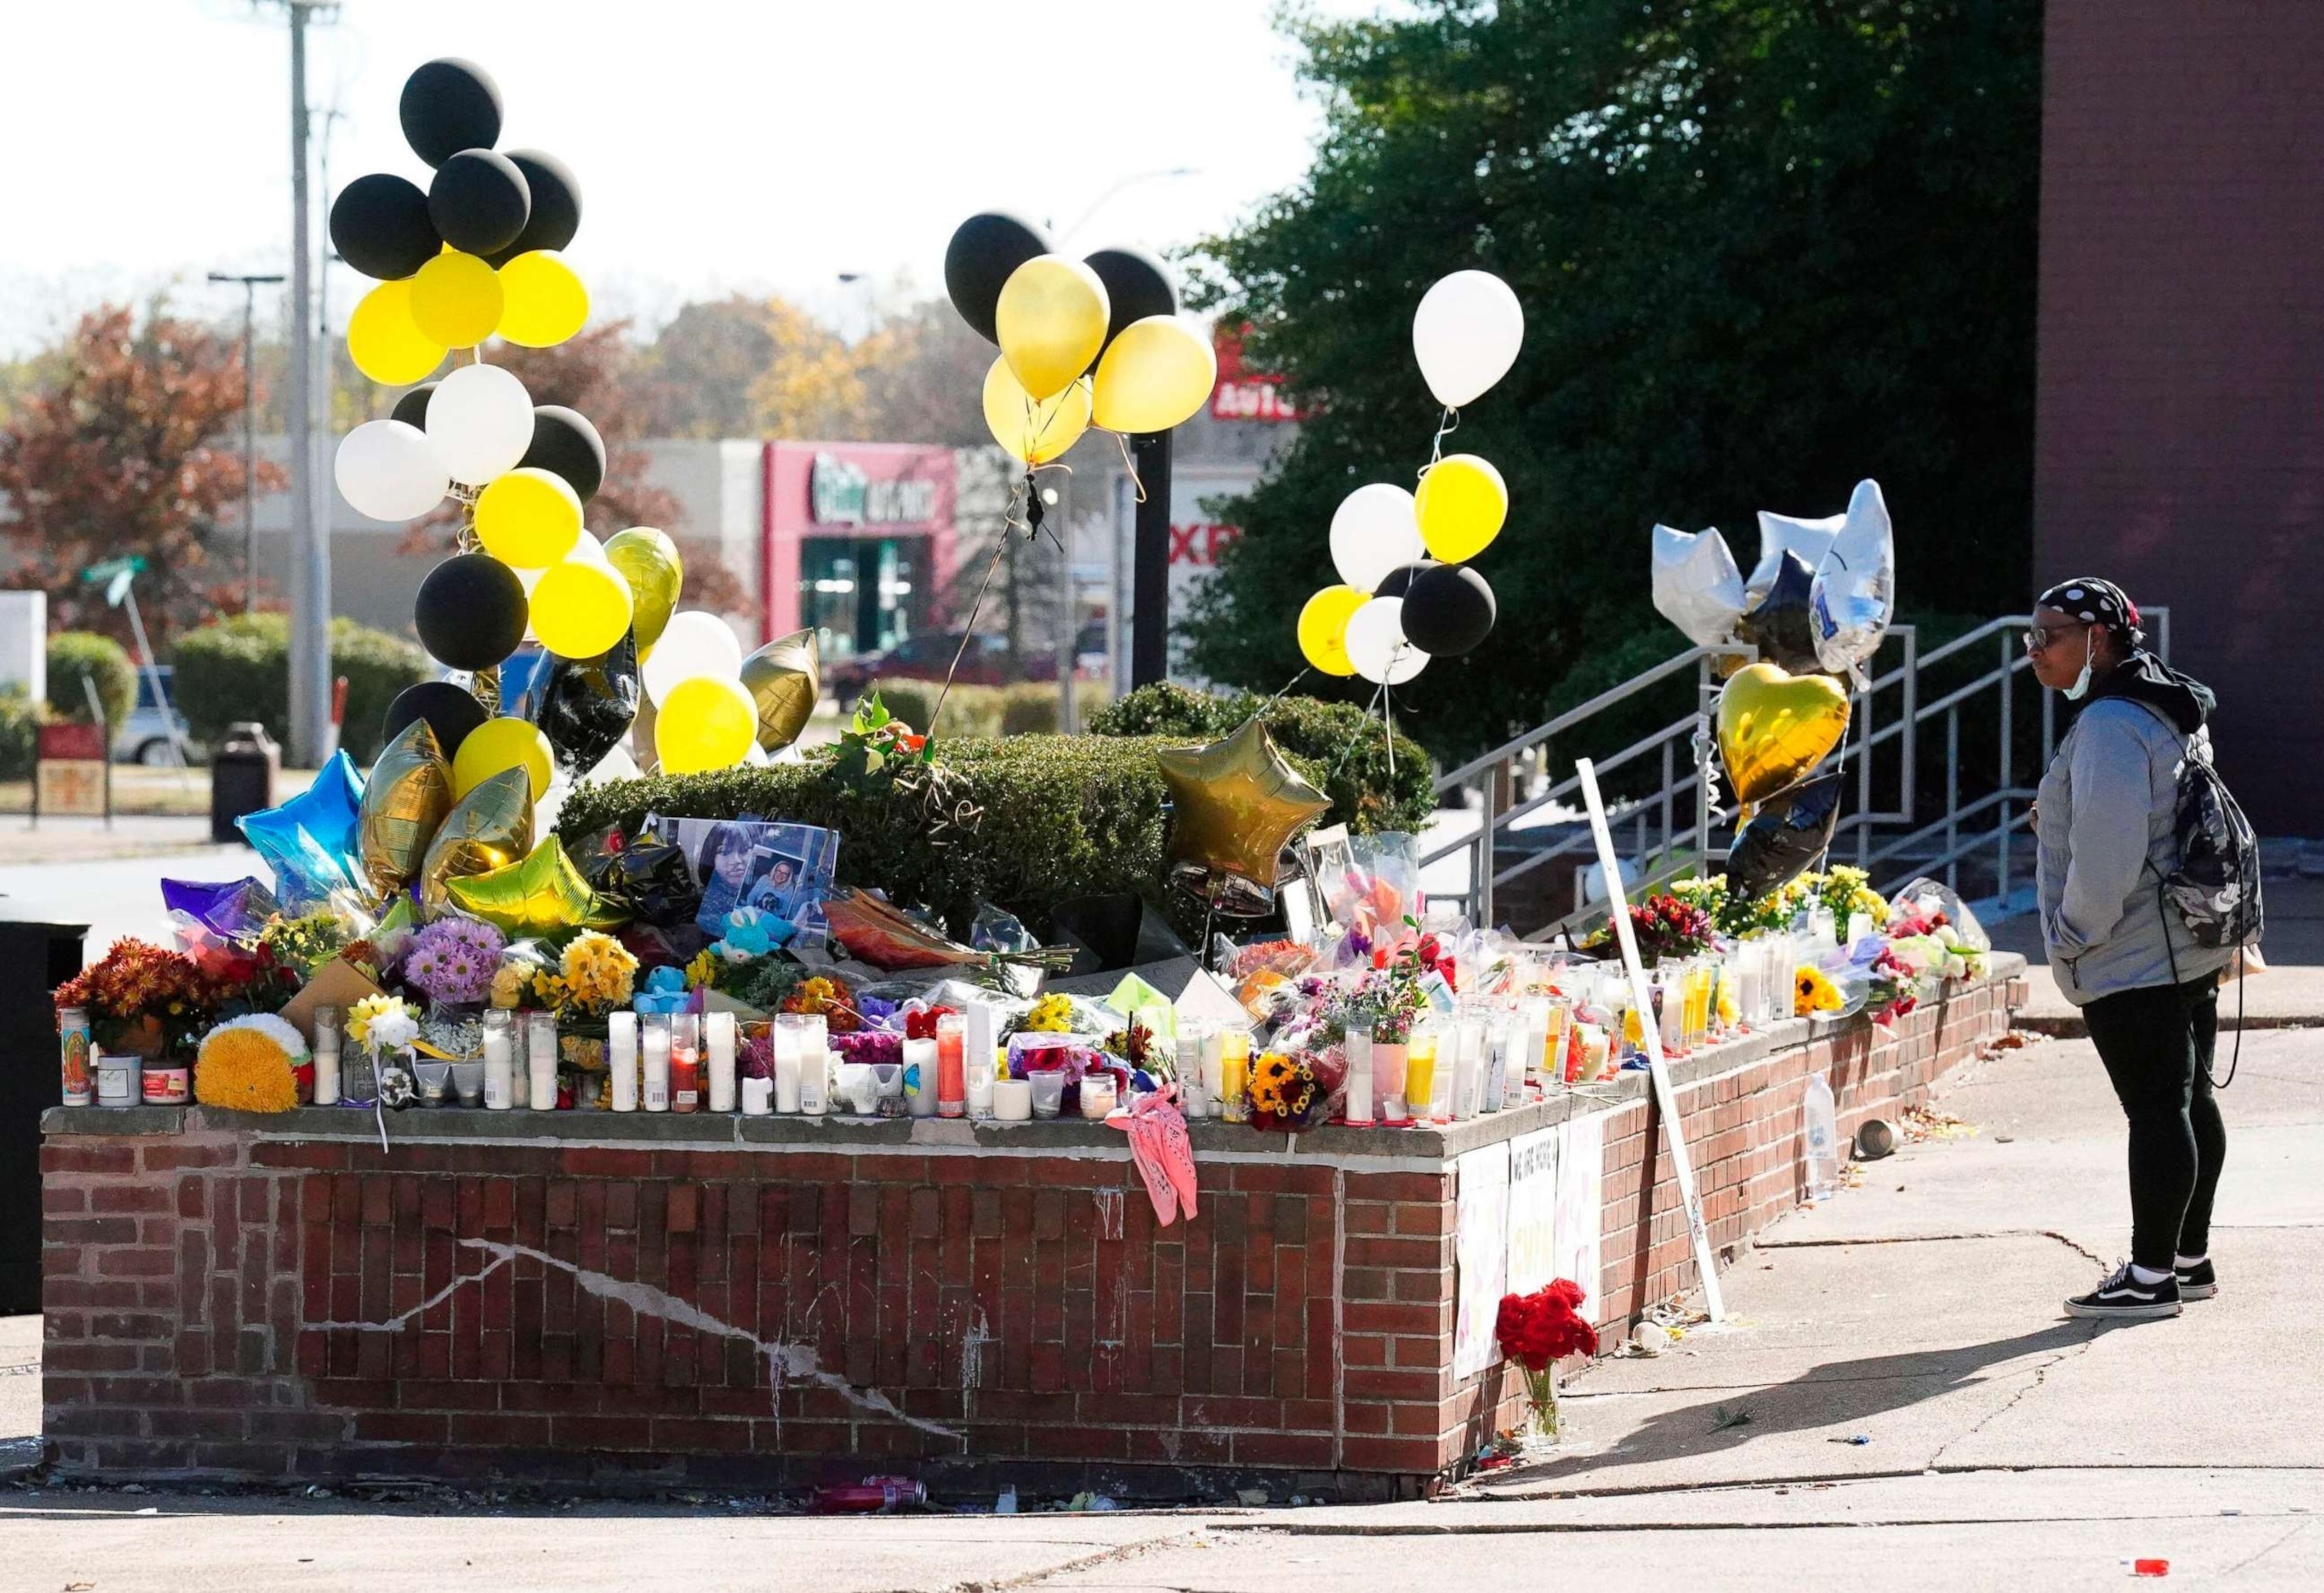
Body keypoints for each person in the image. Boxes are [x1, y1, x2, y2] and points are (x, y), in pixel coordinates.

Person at [2027, 578, 2235, 1321]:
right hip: (2188, 941)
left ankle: (2151, 1279)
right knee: (2187, 1103)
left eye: (2049, 635)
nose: (2035, 650)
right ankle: (2189, 1260)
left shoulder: (2111, 725)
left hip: (2132, 950)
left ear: (2099, 639)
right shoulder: (2165, 703)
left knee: (2156, 1111)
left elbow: (2110, 859)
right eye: (2032, 635)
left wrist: (2074, 938)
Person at [694, 824, 756, 936]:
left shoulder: (760, 890)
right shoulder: (704, 905)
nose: (736, 860)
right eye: (724, 852)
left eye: (744, 850)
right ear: (711, 857)